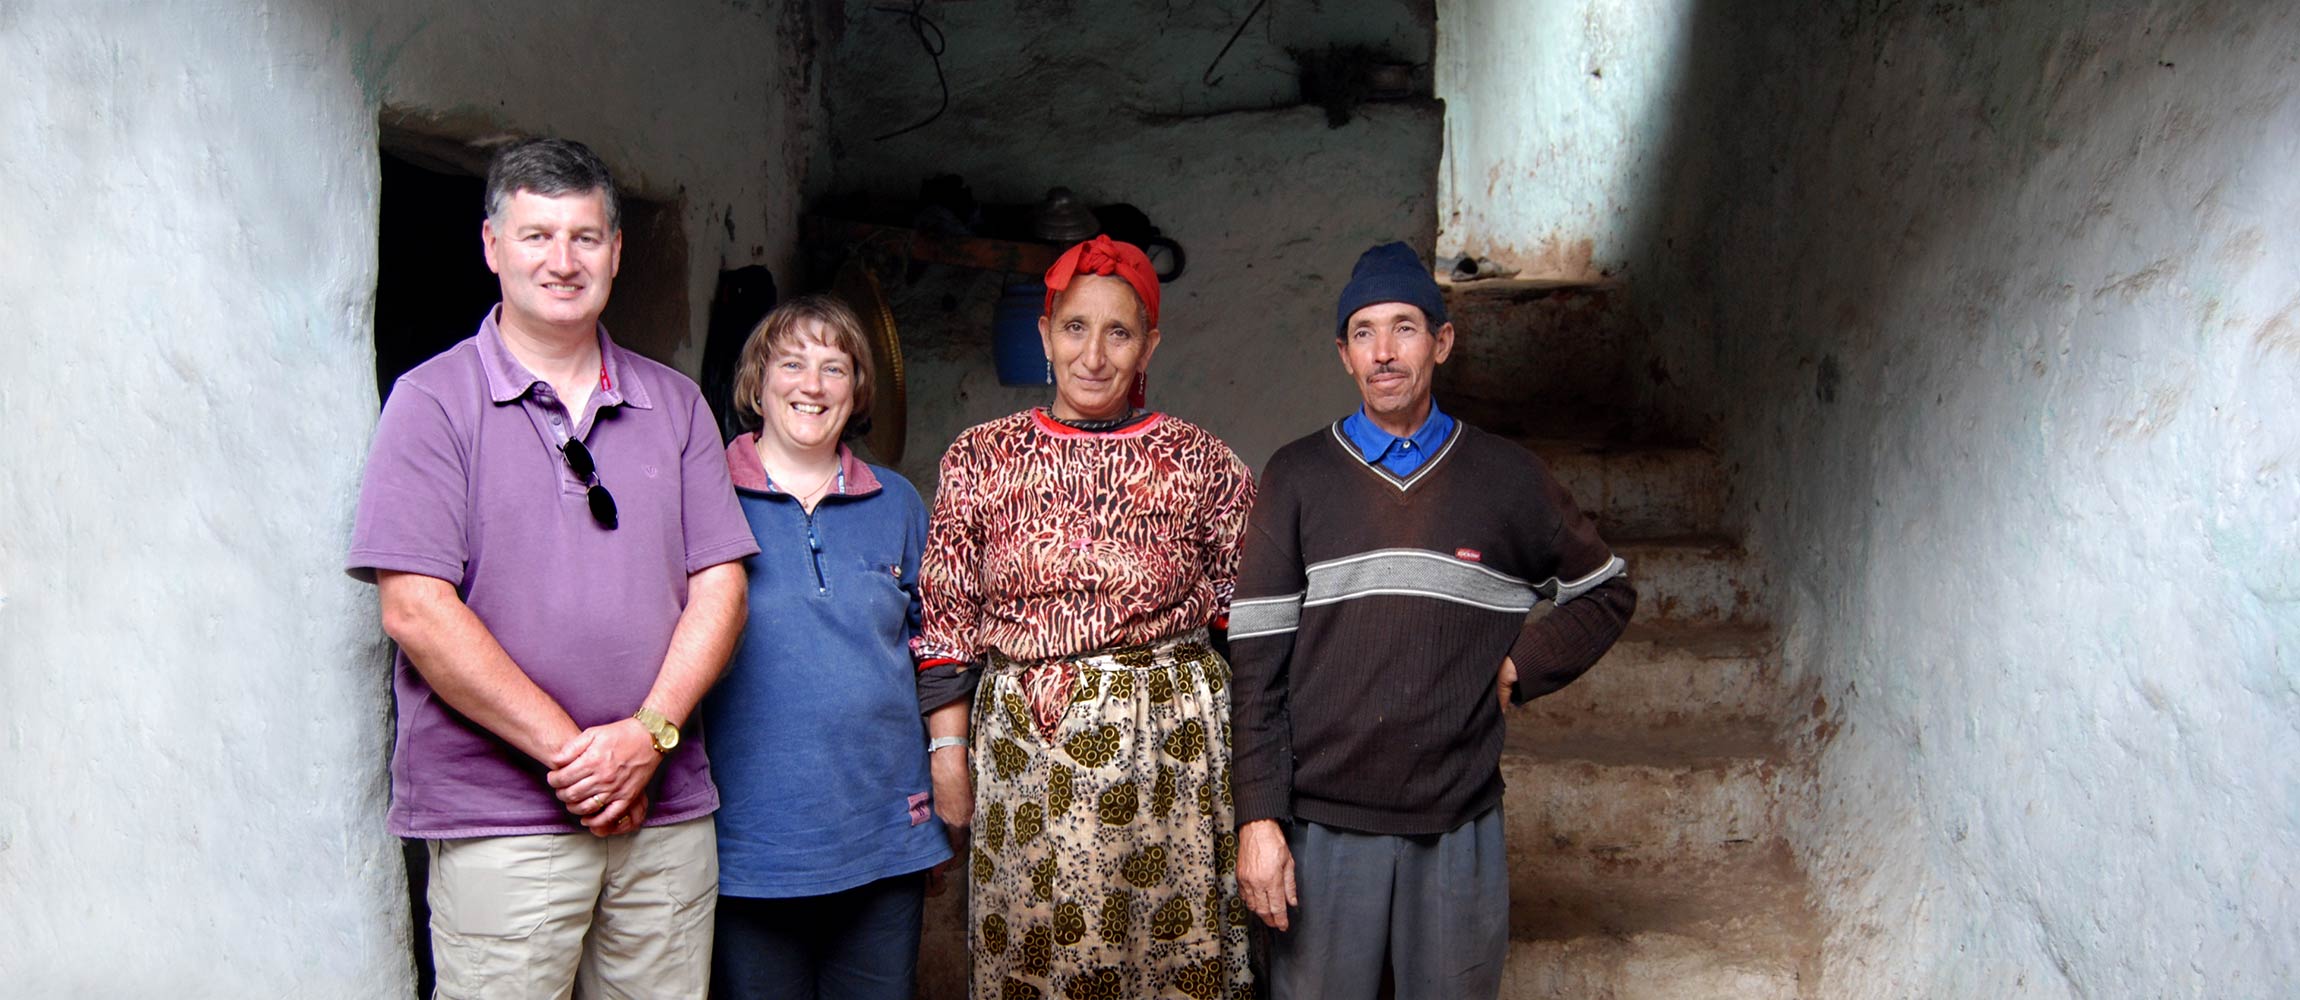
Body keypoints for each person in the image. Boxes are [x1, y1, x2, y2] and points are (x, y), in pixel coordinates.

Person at [346, 137, 756, 999]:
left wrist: (647, 738)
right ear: (492, 247)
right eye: (536, 236)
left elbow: (721, 586)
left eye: (584, 237)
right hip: (502, 821)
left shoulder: (676, 404)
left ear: (616, 251)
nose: (561, 261)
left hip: (666, 813)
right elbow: (416, 609)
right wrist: (580, 758)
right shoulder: (430, 402)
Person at [1226, 241, 1637, 1000]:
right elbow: (1255, 668)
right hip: (1322, 826)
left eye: (1406, 328)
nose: (1384, 352)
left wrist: (1519, 666)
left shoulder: (1508, 478)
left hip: (1457, 821)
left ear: (1443, 342)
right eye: (1364, 333)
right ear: (1343, 354)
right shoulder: (1299, 476)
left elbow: (1606, 591)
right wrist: (1259, 821)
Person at [914, 235, 1258, 1000]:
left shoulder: (1204, 463)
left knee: (1167, 961)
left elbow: (1251, 629)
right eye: (1074, 327)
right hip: (1023, 762)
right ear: (1043, 335)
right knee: (1037, 961)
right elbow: (946, 619)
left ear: (1150, 345)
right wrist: (947, 756)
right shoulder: (980, 458)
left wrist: (1260, 783)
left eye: (1119, 332)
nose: (1094, 355)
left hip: (1171, 762)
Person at [701, 294, 951, 999]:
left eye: (834, 368)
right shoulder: (706, 495)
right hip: (753, 845)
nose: (812, 386)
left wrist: (944, 775)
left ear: (857, 390)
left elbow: (933, 648)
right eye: (792, 363)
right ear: (757, 381)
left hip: (882, 839)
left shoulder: (897, 502)